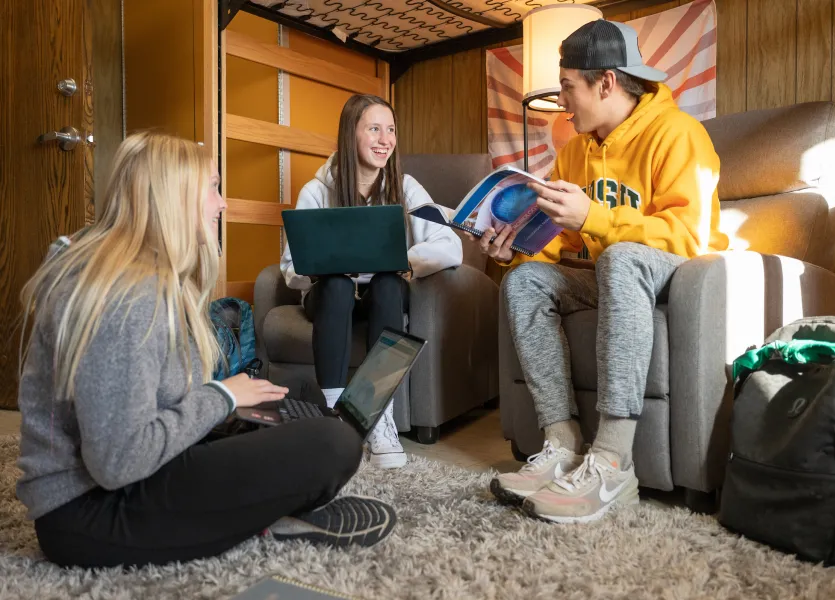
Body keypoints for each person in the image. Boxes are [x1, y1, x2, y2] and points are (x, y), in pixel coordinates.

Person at [15, 132, 396, 570]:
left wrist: (228, 405)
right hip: (91, 513)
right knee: (333, 443)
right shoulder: (125, 297)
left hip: (127, 483)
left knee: (282, 419)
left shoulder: (140, 275)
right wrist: (222, 398)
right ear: (175, 196)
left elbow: (152, 408)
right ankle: (263, 516)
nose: (223, 204)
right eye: (214, 186)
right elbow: (118, 462)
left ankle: (251, 508)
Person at [479, 19, 730, 523]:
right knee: (525, 281)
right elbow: (565, 238)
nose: (562, 100)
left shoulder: (679, 133)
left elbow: (690, 236)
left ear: (606, 83)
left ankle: (614, 461)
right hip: (608, 273)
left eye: (568, 87)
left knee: (620, 256)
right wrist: (514, 252)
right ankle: (562, 443)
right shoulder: (574, 151)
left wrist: (595, 216)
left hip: (674, 277)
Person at [280, 94, 463, 469]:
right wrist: (325, 267)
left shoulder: (406, 187)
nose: (385, 139)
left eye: (391, 130)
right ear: (351, 135)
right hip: (331, 295)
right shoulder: (316, 191)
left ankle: (379, 418)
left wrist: (401, 262)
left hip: (383, 292)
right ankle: (334, 419)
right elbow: (289, 267)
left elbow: (451, 246)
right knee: (336, 285)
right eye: (374, 129)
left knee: (387, 283)